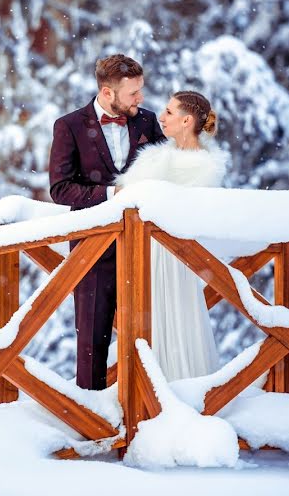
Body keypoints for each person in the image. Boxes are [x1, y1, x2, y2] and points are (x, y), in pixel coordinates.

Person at [49, 54, 165, 390]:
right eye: (133, 93)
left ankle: (145, 412)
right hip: (93, 247)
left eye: (140, 90)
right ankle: (93, 420)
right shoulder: (69, 126)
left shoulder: (147, 122)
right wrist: (112, 194)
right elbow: (60, 189)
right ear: (107, 92)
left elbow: (164, 171)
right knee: (91, 341)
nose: (140, 99)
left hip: (145, 246)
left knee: (148, 334)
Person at [114, 90, 229, 380]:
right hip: (146, 251)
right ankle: (145, 381)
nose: (161, 117)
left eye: (168, 112)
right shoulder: (156, 158)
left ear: (187, 120)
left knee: (177, 315)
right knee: (146, 318)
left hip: (175, 254)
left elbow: (184, 209)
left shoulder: (202, 166)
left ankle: (177, 382)